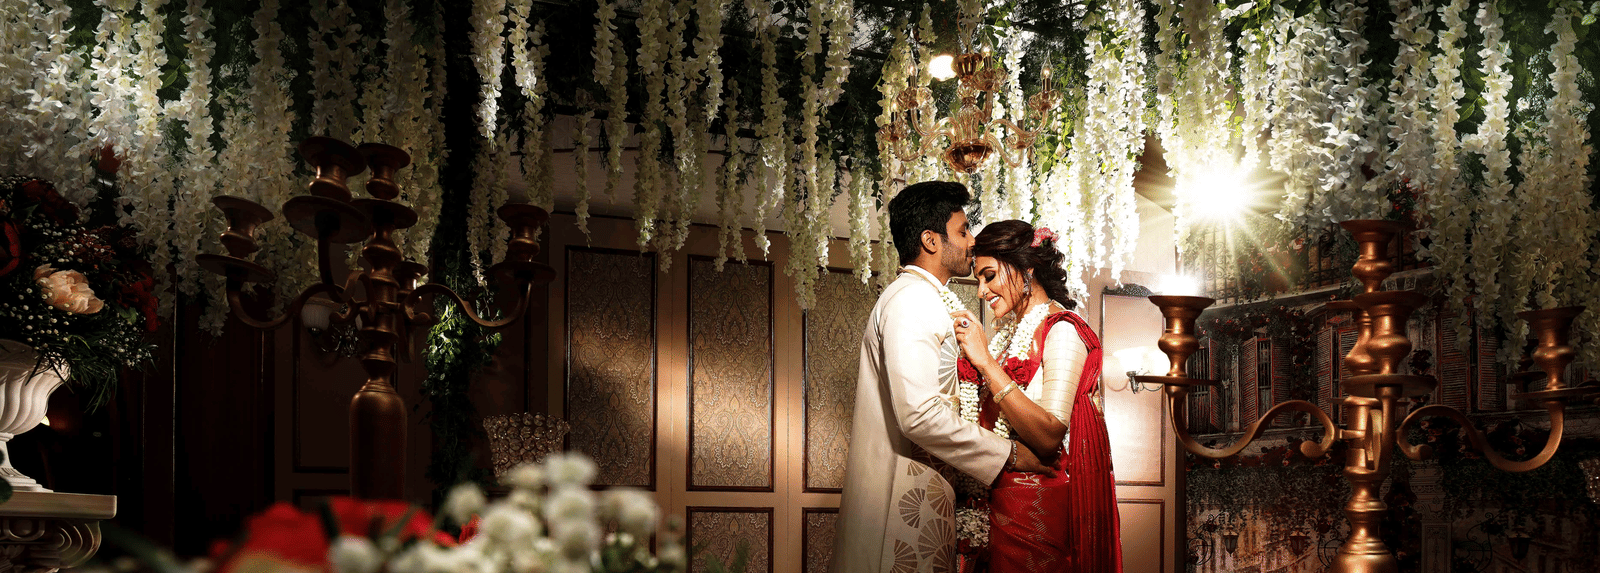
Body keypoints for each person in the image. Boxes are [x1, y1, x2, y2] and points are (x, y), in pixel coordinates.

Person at [830, 182, 1054, 573]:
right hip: (899, 505)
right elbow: (918, 414)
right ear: (930, 241)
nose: (972, 242)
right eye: (963, 230)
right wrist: (1012, 455)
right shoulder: (911, 301)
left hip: (926, 496)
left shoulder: (929, 299)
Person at [950, 220, 1124, 573]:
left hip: (1038, 517)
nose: (982, 291)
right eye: (978, 280)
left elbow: (1048, 436)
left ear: (1026, 268)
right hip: (995, 508)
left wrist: (983, 362)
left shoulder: (1062, 330)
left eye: (989, 276)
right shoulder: (1006, 338)